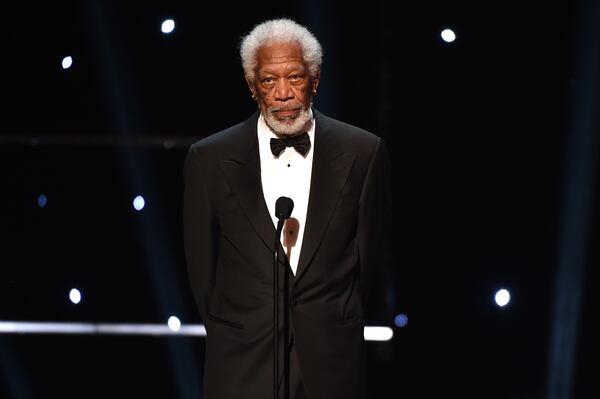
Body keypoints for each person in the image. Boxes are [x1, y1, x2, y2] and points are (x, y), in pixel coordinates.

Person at [183, 17, 392, 399]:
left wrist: (331, 322)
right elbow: (202, 272)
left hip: (331, 365)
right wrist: (241, 328)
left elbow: (369, 262)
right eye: (268, 81)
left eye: (294, 78)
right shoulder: (209, 159)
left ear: (315, 79)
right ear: (252, 87)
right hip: (241, 365)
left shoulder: (363, 152)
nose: (282, 94)